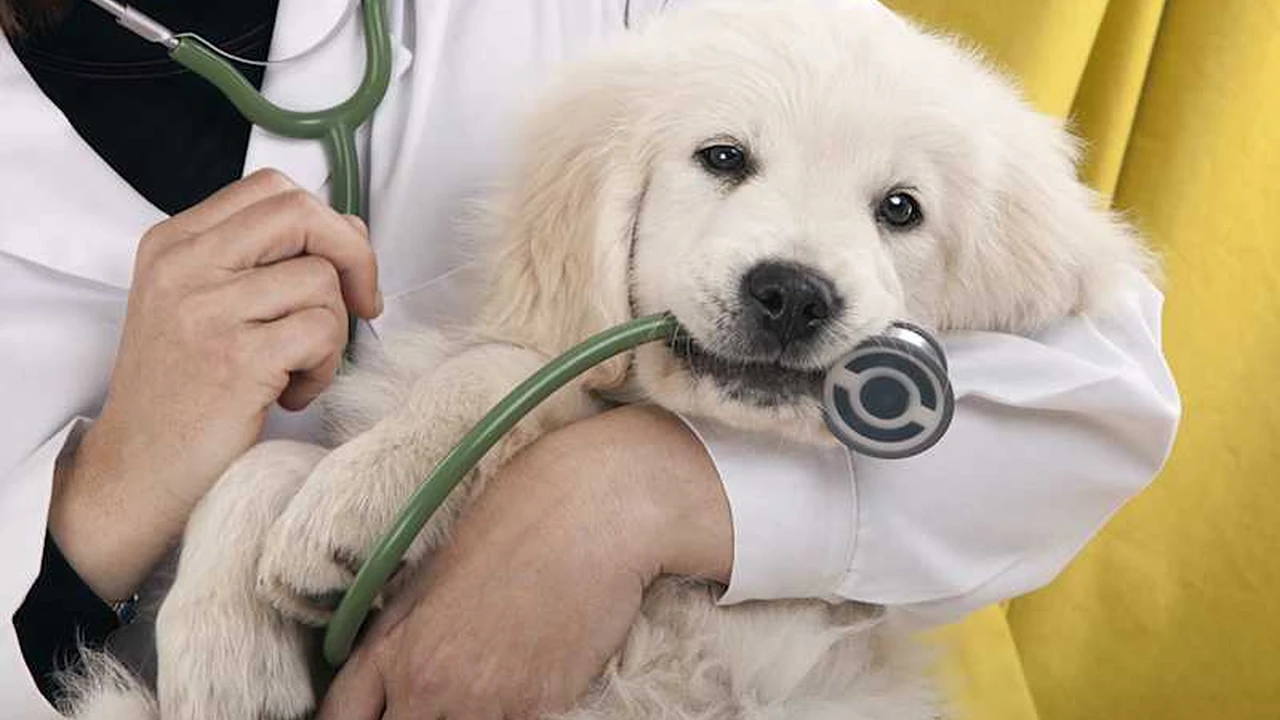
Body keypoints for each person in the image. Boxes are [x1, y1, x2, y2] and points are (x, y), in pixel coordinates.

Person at [0, 0, 1181, 717]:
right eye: (722, 159)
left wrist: (625, 497)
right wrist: (100, 509)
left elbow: (1092, 387)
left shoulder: (749, 49)